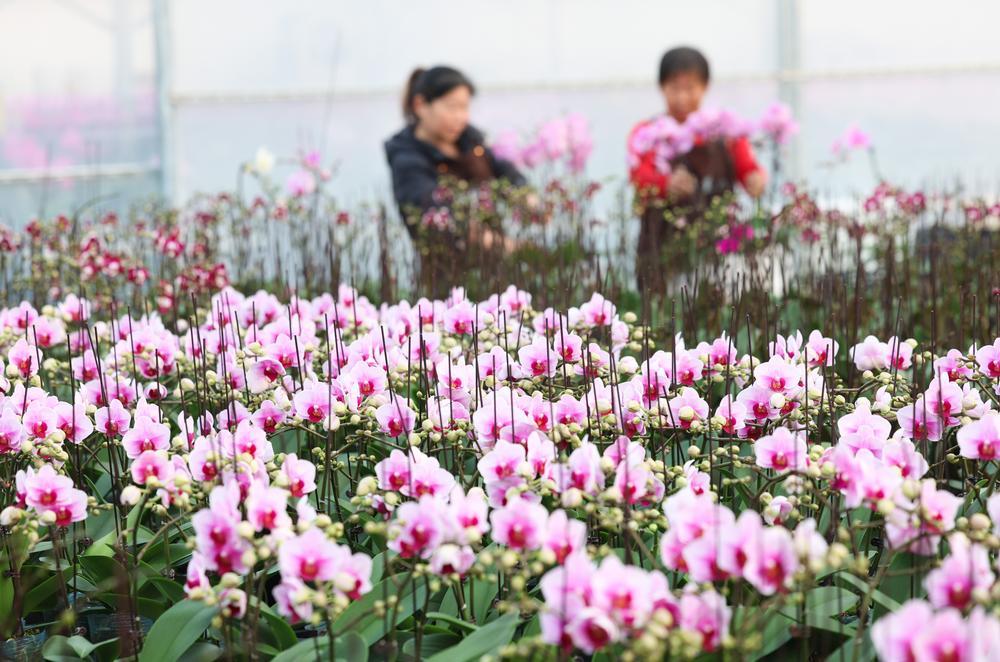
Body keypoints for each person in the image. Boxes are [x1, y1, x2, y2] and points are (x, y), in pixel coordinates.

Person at [628, 46, 767, 294]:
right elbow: (638, 176)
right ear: (662, 87)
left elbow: (747, 167)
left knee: (717, 297)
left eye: (690, 88)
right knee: (661, 301)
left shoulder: (723, 131)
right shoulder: (648, 134)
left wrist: (755, 178)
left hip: (716, 239)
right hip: (662, 239)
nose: (682, 97)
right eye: (674, 88)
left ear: (705, 87)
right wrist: (666, 184)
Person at [384, 66, 527, 295]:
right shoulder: (407, 159)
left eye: (465, 107)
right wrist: (503, 244)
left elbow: (502, 169)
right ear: (420, 105)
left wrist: (525, 194)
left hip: (498, 270)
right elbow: (438, 212)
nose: (461, 117)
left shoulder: (470, 140)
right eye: (453, 107)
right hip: (449, 280)